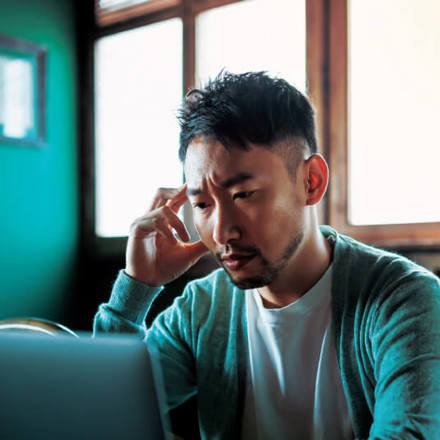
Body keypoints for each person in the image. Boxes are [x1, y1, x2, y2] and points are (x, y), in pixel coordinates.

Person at [94, 71, 440, 440]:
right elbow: (98, 410)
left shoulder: (404, 301)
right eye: (202, 203)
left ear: (311, 182)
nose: (223, 230)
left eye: (244, 194)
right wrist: (137, 288)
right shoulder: (203, 308)